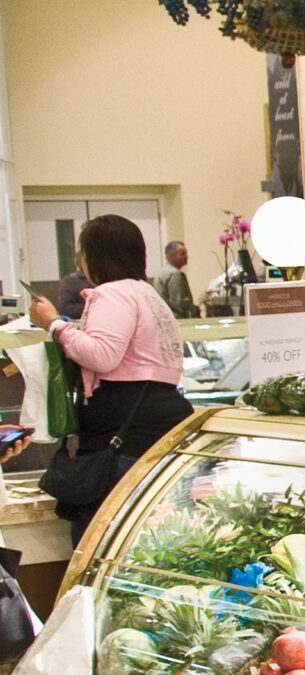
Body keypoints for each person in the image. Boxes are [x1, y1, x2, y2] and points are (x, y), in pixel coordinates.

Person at [27, 215, 191, 540]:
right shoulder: (148, 294)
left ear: (93, 256)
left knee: (100, 541)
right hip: (157, 424)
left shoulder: (111, 294)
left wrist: (54, 325)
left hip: (122, 433)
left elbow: (102, 355)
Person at [153, 240, 198, 320]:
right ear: (171, 257)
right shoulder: (174, 274)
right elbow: (179, 303)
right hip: (177, 319)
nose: (187, 256)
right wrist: (194, 310)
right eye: (182, 254)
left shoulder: (162, 272)